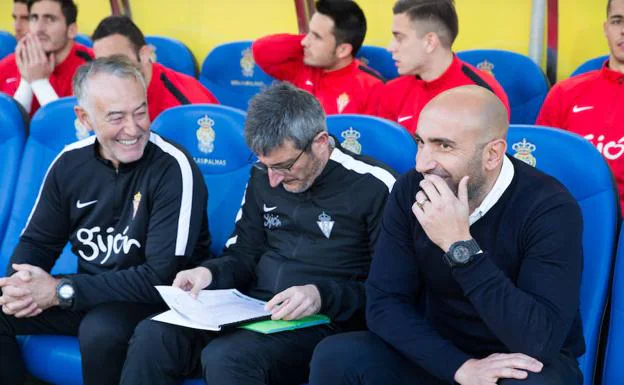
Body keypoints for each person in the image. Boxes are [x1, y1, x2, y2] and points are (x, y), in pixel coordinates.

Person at [119, 82, 397, 385]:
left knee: (228, 357)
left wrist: (321, 295)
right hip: (253, 307)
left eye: (284, 166)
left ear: (319, 142)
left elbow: (390, 290)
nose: (274, 180)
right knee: (154, 334)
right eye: (265, 166)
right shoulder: (263, 175)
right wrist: (207, 274)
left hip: (326, 320)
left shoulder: (374, 186)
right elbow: (244, 254)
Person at [309, 85, 584, 385]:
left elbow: (538, 341)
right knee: (337, 356)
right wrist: (460, 367)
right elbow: (383, 303)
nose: (422, 163)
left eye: (444, 146)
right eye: (420, 143)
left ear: (492, 154)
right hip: (443, 353)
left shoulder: (549, 207)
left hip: (518, 359)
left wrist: (459, 247)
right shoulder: (411, 190)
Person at [0, 56, 211, 385]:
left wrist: (63, 290)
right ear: (84, 117)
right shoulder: (69, 162)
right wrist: (21, 285)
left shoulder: (174, 167)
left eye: (140, 111)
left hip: (151, 301)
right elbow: (36, 243)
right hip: (89, 292)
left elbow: (161, 277)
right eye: (116, 117)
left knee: (101, 329)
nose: (133, 127)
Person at [537, 0, 624, 213]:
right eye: (617, 21)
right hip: (567, 216)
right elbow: (540, 166)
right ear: (606, 29)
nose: (623, 30)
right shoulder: (564, 93)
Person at [371, 0, 509, 133]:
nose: (390, 48)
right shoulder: (392, 91)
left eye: (399, 38)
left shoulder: (484, 96)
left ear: (430, 42)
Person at [252, 0, 384, 115]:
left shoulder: (372, 88)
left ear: (343, 50)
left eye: (317, 36)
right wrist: (312, 40)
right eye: (309, 32)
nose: (304, 42)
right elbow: (260, 50)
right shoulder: (302, 65)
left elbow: (375, 139)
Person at [92, 15, 219, 121]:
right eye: (102, 64)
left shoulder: (187, 103)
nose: (110, 72)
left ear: (144, 54)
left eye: (118, 60)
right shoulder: (97, 97)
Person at [0, 0, 92, 116]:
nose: (39, 28)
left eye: (50, 19)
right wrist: (26, 81)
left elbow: (77, 131)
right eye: (34, 18)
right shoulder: (7, 65)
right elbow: (7, 131)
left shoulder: (93, 66)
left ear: (71, 30)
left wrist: (39, 82)